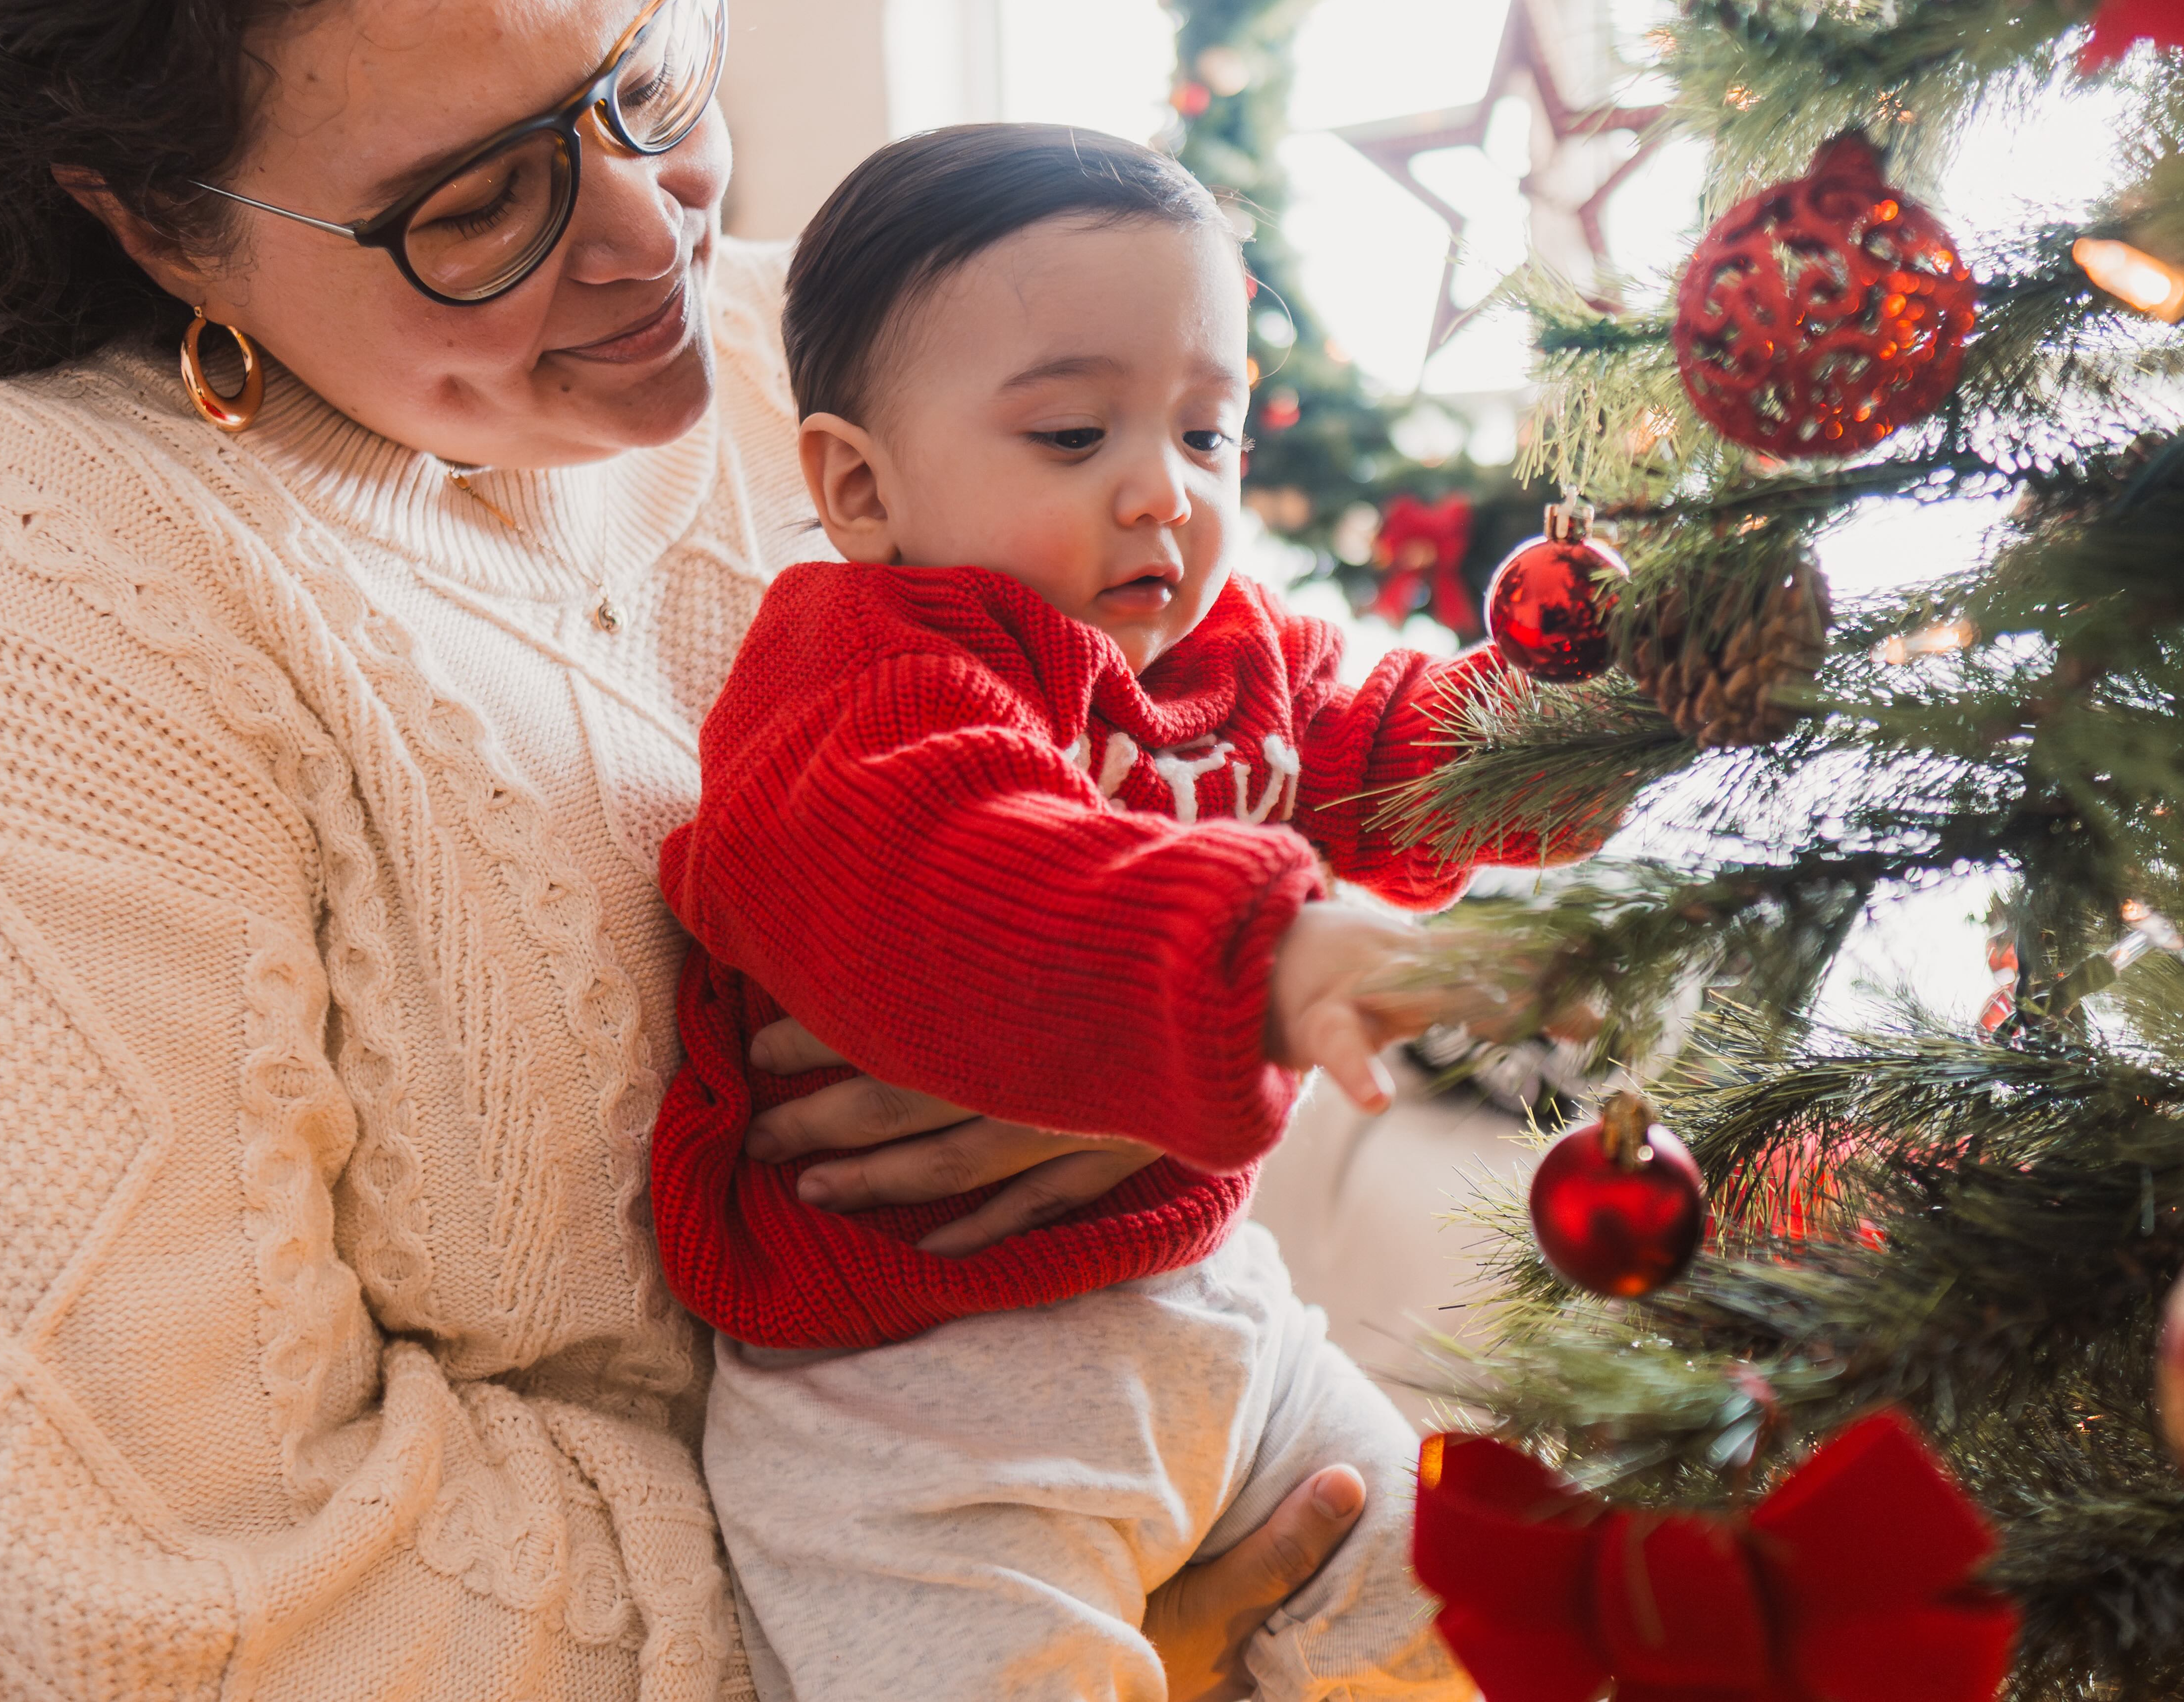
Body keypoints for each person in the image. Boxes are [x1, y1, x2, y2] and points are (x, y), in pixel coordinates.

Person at [0, 0, 1363, 1694]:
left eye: (643, 79)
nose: (650, 233)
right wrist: (955, 1593)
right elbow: (138, 1594)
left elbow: (1239, 748)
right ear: (159, 223)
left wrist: (1161, 1051)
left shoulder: (808, 387)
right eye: (477, 200)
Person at [654, 126, 1586, 1701]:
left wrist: (1593, 717)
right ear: (861, 485)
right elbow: (958, 878)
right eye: (1075, 432)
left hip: (1225, 1333)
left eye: (1208, 432)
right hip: (925, 1417)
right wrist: (1268, 949)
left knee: (1476, 1628)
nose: (1163, 490)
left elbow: (1397, 747)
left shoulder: (1232, 656)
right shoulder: (859, 681)